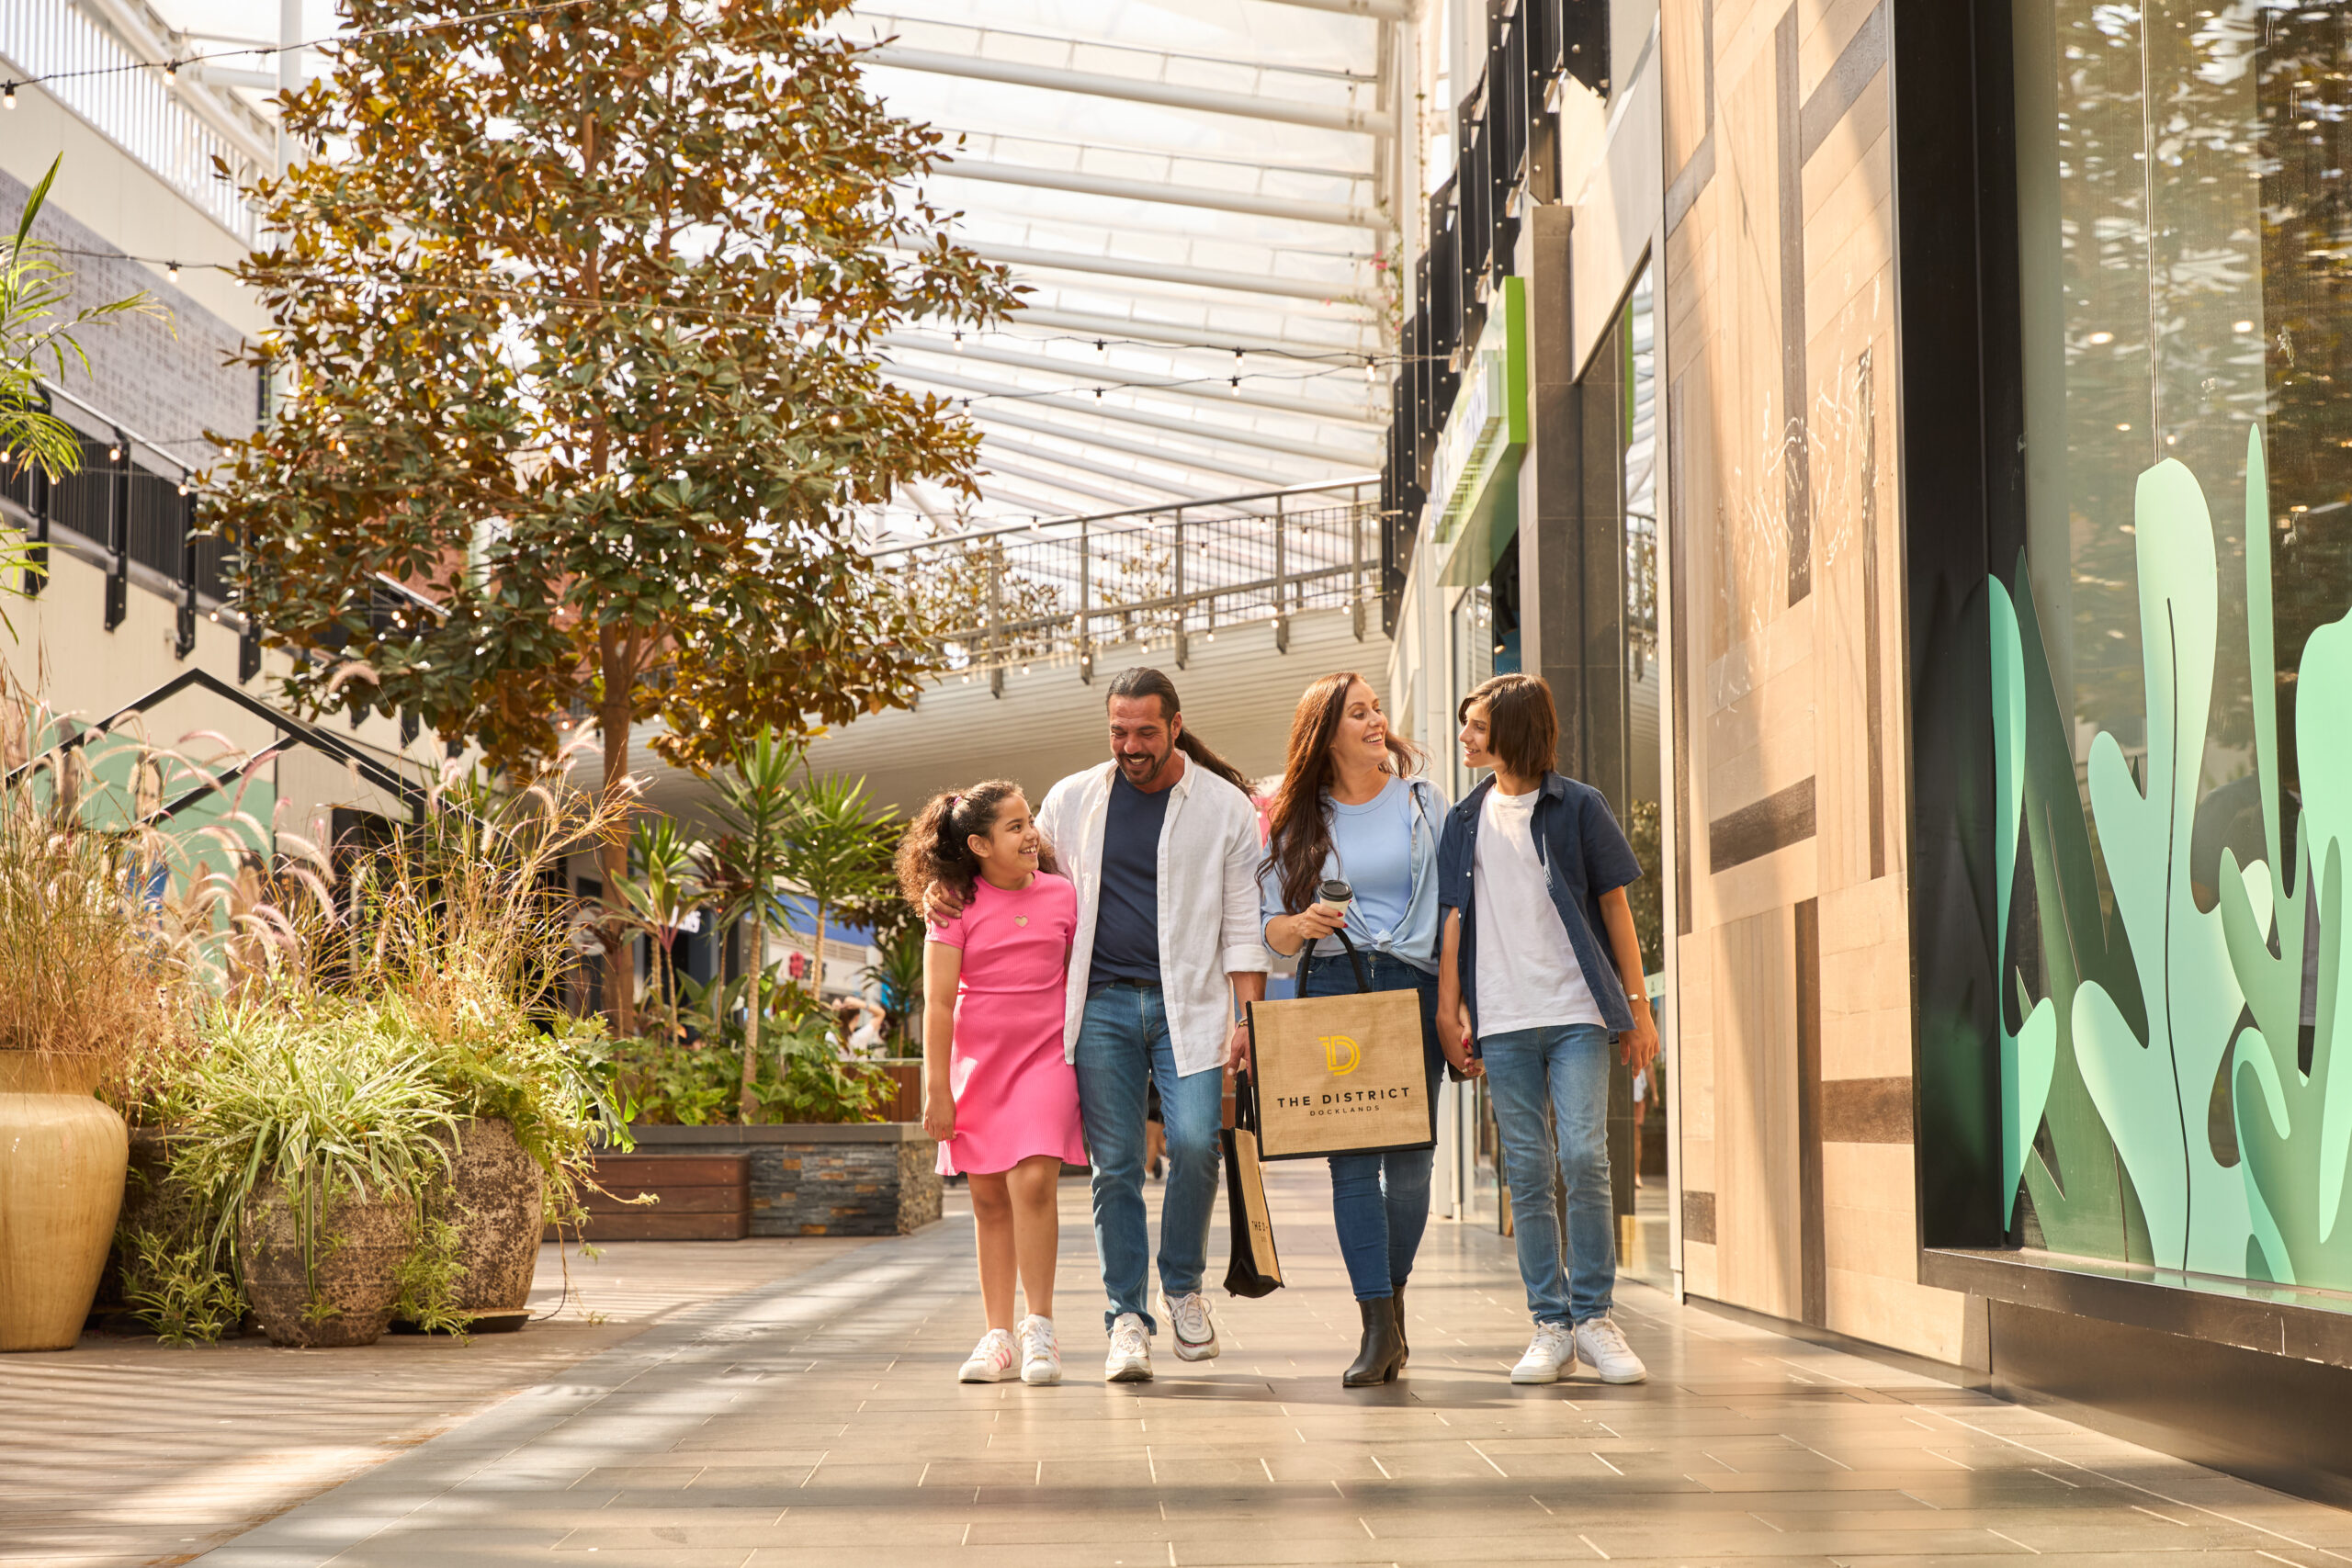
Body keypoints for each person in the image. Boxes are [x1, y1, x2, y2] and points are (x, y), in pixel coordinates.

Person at [931, 668, 1267, 1382]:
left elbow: (1244, 924)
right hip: (1102, 1006)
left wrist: (1247, 1016)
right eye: (1118, 730)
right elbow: (1013, 868)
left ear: (1176, 725)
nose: (1131, 744)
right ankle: (1126, 1319)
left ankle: (1180, 1285)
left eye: (1145, 731)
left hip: (1192, 1004)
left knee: (1196, 1142)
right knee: (1116, 1167)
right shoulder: (1072, 798)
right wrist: (950, 882)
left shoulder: (1225, 807)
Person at [1435, 672, 1658, 1386]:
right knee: (1526, 1170)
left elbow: (1615, 909)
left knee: (1587, 1158)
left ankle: (1594, 1317)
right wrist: (1451, 1010)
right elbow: (1452, 922)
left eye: (1476, 726)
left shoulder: (1579, 807)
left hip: (1577, 1014)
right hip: (1502, 1019)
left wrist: (1639, 1008)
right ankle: (1550, 1324)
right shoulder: (1464, 820)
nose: (1466, 737)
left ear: (1514, 729)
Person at [1258, 672, 1449, 1387]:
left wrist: (1455, 1001)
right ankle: (1376, 1324)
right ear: (1326, 733)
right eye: (1358, 712)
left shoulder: (1424, 804)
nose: (1375, 721)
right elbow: (1265, 927)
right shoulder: (1296, 818)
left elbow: (1455, 907)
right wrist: (1299, 922)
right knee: (1349, 1164)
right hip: (1336, 983)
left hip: (1412, 984)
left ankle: (1391, 1306)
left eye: (1376, 709)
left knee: (1409, 1162)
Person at [898, 780, 1087, 1387]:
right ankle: (997, 1333)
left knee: (1033, 1181)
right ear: (978, 843)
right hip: (976, 1066)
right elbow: (939, 1005)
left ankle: (1041, 1328)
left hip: (1046, 1058)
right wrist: (937, 1086)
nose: (1031, 833)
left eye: (1028, 820)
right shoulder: (952, 905)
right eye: (1014, 826)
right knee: (986, 1199)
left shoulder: (1063, 895)